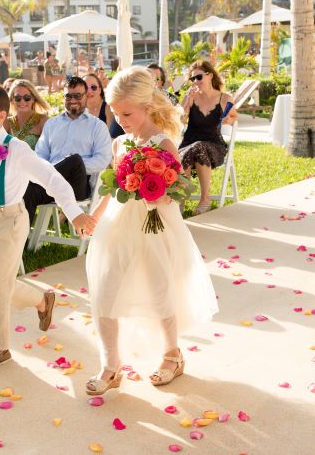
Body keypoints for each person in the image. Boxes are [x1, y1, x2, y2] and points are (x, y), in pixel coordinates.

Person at [84, 66, 218, 395]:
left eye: (127, 113)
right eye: (115, 113)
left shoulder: (164, 144)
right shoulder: (119, 144)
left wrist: (152, 191)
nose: (121, 119)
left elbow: (176, 193)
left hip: (154, 227)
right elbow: (109, 187)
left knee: (160, 291)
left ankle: (172, 354)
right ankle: (110, 364)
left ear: (146, 106)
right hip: (119, 227)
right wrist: (94, 217)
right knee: (105, 291)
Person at [0, 85, 95, 372]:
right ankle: (42, 300)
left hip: (11, 221)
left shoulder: (16, 149)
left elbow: (53, 180)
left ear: (1, 116)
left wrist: (74, 213)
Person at [23, 76, 112, 226]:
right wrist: (57, 169)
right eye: (68, 96)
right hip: (51, 184)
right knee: (27, 189)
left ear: (86, 96)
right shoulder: (52, 124)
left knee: (74, 160)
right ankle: (21, 244)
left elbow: (103, 160)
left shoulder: (97, 126)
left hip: (78, 184)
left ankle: (64, 168)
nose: (73, 100)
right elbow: (40, 155)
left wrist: (72, 166)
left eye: (77, 95)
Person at [179, 61, 237, 216]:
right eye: (193, 79)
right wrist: (188, 103)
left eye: (199, 77)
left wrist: (228, 120)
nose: (196, 82)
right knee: (189, 150)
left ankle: (205, 199)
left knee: (198, 147)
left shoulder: (225, 98)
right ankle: (180, 201)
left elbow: (234, 117)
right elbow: (181, 121)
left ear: (210, 76)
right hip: (188, 143)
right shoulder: (190, 97)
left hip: (214, 145)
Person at [5, 79, 49, 149]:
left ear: (33, 99)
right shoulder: (7, 122)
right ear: (12, 100)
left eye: (27, 97)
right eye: (17, 98)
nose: (22, 101)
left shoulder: (43, 120)